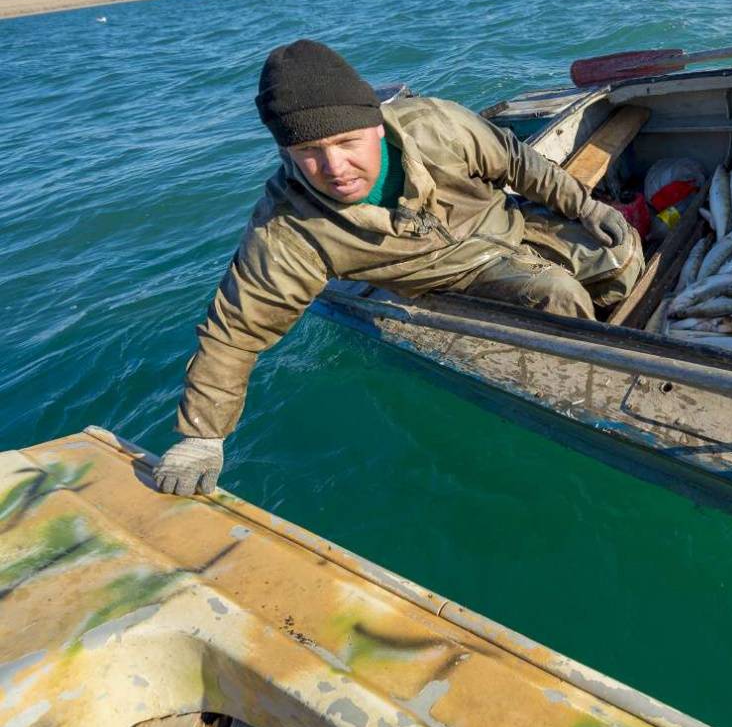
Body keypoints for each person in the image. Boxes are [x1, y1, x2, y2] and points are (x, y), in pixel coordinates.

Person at [153, 40, 643, 496]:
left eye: (347, 141)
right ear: (287, 153)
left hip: (511, 228)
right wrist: (202, 436)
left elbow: (517, 163)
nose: (335, 166)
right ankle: (587, 388)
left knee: (622, 252)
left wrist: (585, 208)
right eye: (309, 153)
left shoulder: (438, 125)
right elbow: (235, 332)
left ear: (376, 125)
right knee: (557, 293)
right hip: (444, 279)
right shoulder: (289, 229)